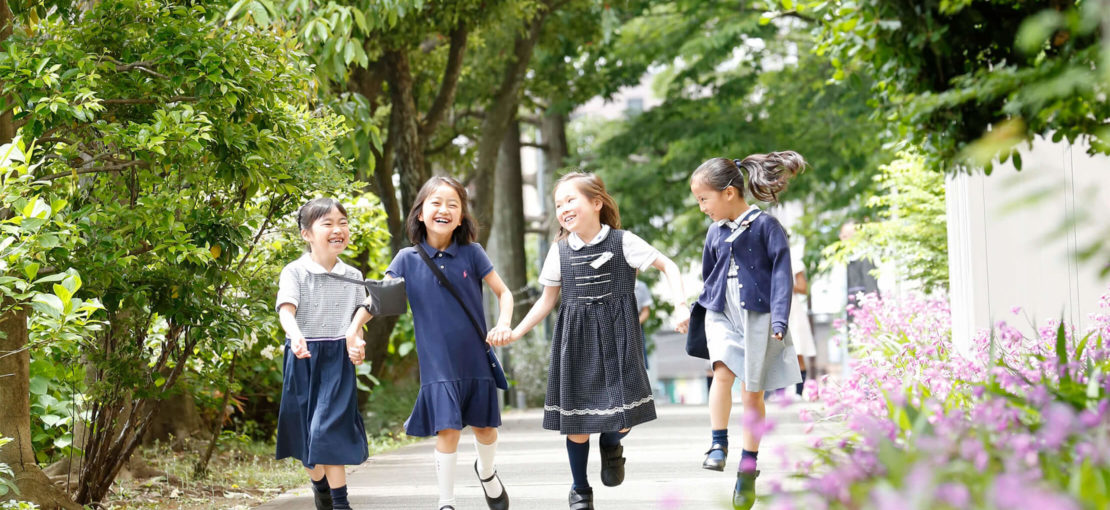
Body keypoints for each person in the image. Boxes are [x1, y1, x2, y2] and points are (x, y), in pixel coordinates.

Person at [507, 172, 689, 510]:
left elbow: (670, 266)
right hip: (575, 341)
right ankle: (580, 489)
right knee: (576, 422)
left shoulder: (624, 242)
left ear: (596, 202)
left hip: (620, 337)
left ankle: (611, 443)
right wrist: (516, 332)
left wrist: (681, 305)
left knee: (623, 417)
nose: (563, 208)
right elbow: (546, 300)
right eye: (558, 204)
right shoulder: (559, 251)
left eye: (570, 200)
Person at [385, 177, 514, 510]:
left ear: (461, 217)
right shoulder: (405, 260)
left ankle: (486, 472)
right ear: (420, 213)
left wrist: (503, 323)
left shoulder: (472, 253)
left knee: (485, 430)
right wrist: (355, 330)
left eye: (452, 205)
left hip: (474, 358)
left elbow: (504, 292)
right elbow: (378, 302)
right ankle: (447, 502)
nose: (444, 209)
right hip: (438, 364)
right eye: (436, 203)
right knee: (449, 431)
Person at [689, 153, 805, 510]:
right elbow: (710, 275)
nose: (701, 207)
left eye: (703, 199)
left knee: (752, 394)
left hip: (759, 314)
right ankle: (718, 443)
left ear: (728, 193)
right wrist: (694, 308)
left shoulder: (767, 226)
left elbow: (783, 274)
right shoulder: (714, 232)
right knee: (721, 371)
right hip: (722, 312)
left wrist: (781, 320)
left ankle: (748, 467)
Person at [275, 198, 373, 510]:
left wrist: (355, 339)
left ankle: (341, 504)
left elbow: (364, 310)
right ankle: (320, 487)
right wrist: (295, 336)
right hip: (303, 358)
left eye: (342, 222)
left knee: (328, 430)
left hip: (337, 361)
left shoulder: (353, 275)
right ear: (306, 234)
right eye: (327, 223)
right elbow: (286, 310)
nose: (338, 229)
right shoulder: (295, 272)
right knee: (306, 439)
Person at [788, 242, 818, 397]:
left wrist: (784, 285)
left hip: (790, 308)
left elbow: (803, 287)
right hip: (768, 307)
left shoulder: (793, 259)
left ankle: (799, 392)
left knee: (797, 349)